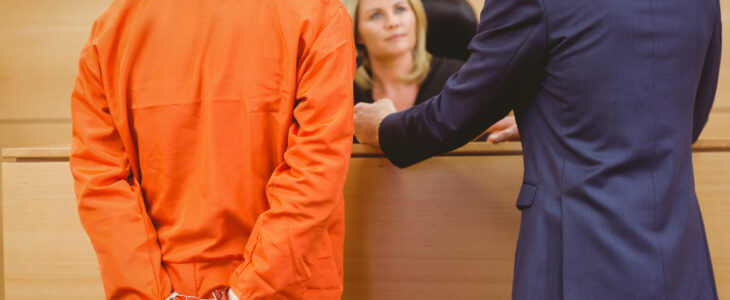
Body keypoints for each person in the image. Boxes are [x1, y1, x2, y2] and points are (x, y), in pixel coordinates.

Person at [354, 0, 721, 298]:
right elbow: (685, 122)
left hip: (579, 265)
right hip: (681, 264)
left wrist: (385, 128)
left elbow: (453, 116)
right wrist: (550, 119)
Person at [69, 0, 355, 299]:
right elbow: (316, 168)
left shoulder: (113, 30)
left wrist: (153, 293)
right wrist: (249, 292)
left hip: (168, 284)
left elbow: (100, 180)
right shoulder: (318, 14)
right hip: (288, 284)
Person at [345, 0, 519, 143]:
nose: (392, 22)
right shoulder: (346, 93)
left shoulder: (459, 78)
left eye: (400, 9)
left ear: (416, 17)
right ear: (357, 33)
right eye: (376, 15)